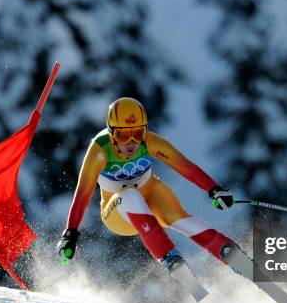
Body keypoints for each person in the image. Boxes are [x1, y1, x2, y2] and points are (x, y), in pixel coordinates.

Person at [56, 97, 238, 273]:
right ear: (112, 134)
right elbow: (82, 195)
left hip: (149, 196)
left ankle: (230, 253)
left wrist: (214, 190)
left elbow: (185, 166)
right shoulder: (99, 150)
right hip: (117, 214)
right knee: (129, 195)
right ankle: (169, 257)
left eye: (137, 134)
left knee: (177, 216)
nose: (132, 143)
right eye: (123, 136)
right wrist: (70, 233)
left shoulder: (151, 142)